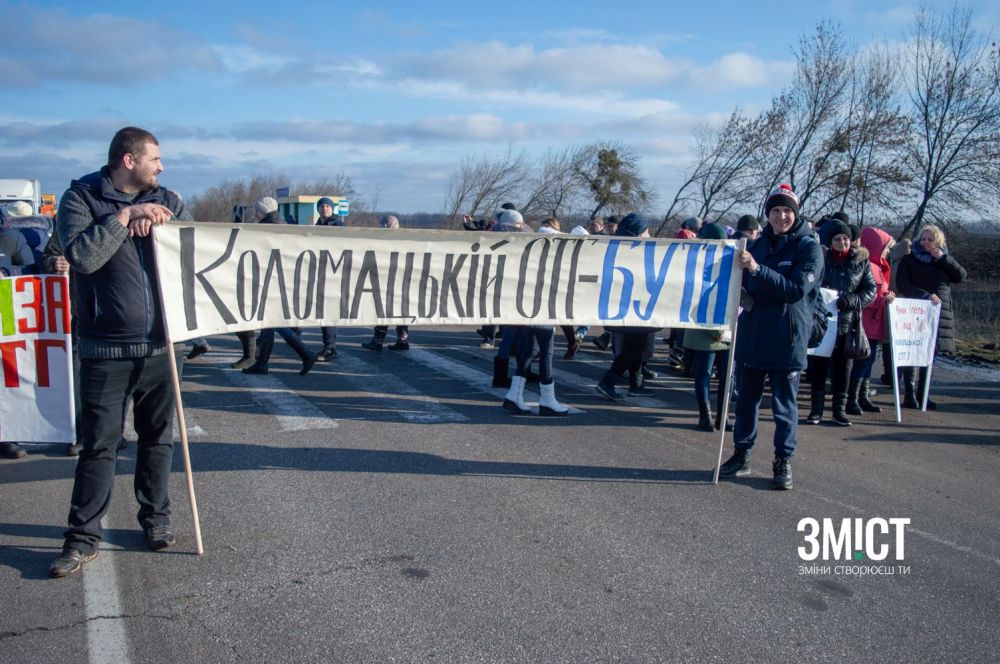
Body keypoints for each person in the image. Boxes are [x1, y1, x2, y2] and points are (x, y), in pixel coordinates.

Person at [48, 127, 191, 577]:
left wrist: (158, 217)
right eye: (155, 159)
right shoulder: (79, 200)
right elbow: (83, 258)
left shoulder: (168, 198)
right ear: (128, 161)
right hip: (105, 348)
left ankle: (156, 519)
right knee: (99, 447)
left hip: (162, 347)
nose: (162, 167)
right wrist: (124, 218)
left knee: (157, 440)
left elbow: (188, 251)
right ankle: (82, 537)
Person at [719, 183, 824, 490]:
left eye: (786, 211)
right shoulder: (756, 244)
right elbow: (743, 285)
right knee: (746, 403)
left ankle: (783, 462)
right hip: (753, 334)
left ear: (796, 214)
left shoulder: (809, 247)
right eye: (775, 211)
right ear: (768, 214)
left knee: (783, 407)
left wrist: (757, 269)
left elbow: (793, 291)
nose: (781, 217)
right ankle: (741, 455)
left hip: (787, 338)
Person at [804, 220, 876, 426]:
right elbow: (811, 282)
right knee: (818, 365)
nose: (842, 242)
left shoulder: (861, 261)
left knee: (843, 367)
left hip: (847, 322)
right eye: (838, 239)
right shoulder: (821, 258)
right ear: (831, 241)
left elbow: (870, 290)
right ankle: (815, 410)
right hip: (822, 320)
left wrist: (854, 300)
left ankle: (839, 410)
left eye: (845, 238)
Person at [240, 197, 319, 375]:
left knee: (272, 323)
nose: (255, 214)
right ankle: (263, 363)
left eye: (257, 211)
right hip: (278, 280)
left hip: (271, 280)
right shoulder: (282, 224)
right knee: (269, 323)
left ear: (264, 211)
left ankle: (305, 354)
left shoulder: (267, 227)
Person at [502, 218, 570, 417]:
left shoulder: (526, 253)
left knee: (530, 351)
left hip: (525, 309)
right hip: (542, 309)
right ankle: (547, 399)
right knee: (546, 354)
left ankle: (514, 394)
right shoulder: (549, 257)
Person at [895, 224, 967, 409]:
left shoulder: (943, 260)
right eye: (923, 239)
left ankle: (923, 393)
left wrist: (944, 259)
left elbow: (960, 276)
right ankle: (909, 394)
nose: (926, 242)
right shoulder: (910, 259)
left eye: (930, 239)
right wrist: (924, 295)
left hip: (938, 314)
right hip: (915, 310)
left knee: (929, 354)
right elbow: (902, 283)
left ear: (938, 242)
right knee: (912, 352)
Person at [594, 214, 658, 401]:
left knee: (637, 346)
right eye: (645, 231)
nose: (648, 234)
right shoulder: (631, 252)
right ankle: (608, 381)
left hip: (631, 307)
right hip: (631, 307)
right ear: (637, 233)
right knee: (633, 347)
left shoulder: (621, 248)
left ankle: (636, 384)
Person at [685, 222, 733, 431]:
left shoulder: (730, 262)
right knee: (703, 372)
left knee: (727, 374)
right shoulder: (694, 265)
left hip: (726, 326)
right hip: (704, 326)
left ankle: (723, 415)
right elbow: (693, 297)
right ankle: (705, 415)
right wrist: (713, 329)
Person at [846, 227, 896, 415]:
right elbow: (863, 295)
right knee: (861, 361)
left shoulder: (880, 266)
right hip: (865, 322)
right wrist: (881, 300)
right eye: (887, 247)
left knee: (869, 361)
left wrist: (887, 296)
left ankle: (863, 395)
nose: (889, 251)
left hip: (874, 323)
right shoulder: (868, 266)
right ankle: (853, 398)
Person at [0, 209, 37, 459]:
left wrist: (6, 275)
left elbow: (31, 270)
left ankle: (6, 436)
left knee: (5, 375)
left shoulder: (10, 236)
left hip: (5, 311)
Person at [362, 215, 411, 351]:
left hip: (388, 280)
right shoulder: (406, 240)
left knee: (383, 310)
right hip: (403, 281)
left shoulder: (385, 241)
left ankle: (378, 341)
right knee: (401, 311)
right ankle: (403, 339)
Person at [315, 197, 343, 359]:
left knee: (328, 312)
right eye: (322, 206)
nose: (325, 208)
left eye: (327, 206)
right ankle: (330, 345)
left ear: (332, 208)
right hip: (322, 274)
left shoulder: (339, 226)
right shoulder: (318, 226)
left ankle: (330, 347)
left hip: (335, 275)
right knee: (324, 313)